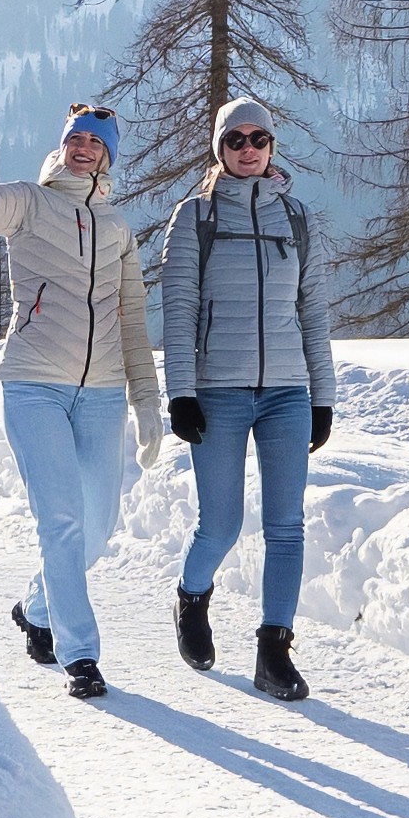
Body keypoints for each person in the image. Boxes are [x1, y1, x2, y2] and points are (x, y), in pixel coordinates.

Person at [0, 95, 162, 698]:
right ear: (63, 145)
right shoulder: (31, 205)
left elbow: (133, 315)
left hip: (104, 391)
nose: (84, 148)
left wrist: (147, 401)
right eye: (77, 138)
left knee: (99, 525)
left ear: (108, 156)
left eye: (96, 142)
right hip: (36, 383)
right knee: (61, 520)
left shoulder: (117, 228)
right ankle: (80, 654)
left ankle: (37, 607)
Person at [152, 96, 335, 701]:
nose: (248, 149)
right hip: (219, 392)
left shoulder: (297, 217)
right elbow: (176, 313)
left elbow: (313, 312)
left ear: (271, 147)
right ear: (219, 148)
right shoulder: (194, 218)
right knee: (222, 525)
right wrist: (181, 394)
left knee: (286, 526)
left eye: (259, 139)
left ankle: (273, 650)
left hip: (286, 391)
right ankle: (192, 598)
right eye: (236, 140)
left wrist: (322, 397)